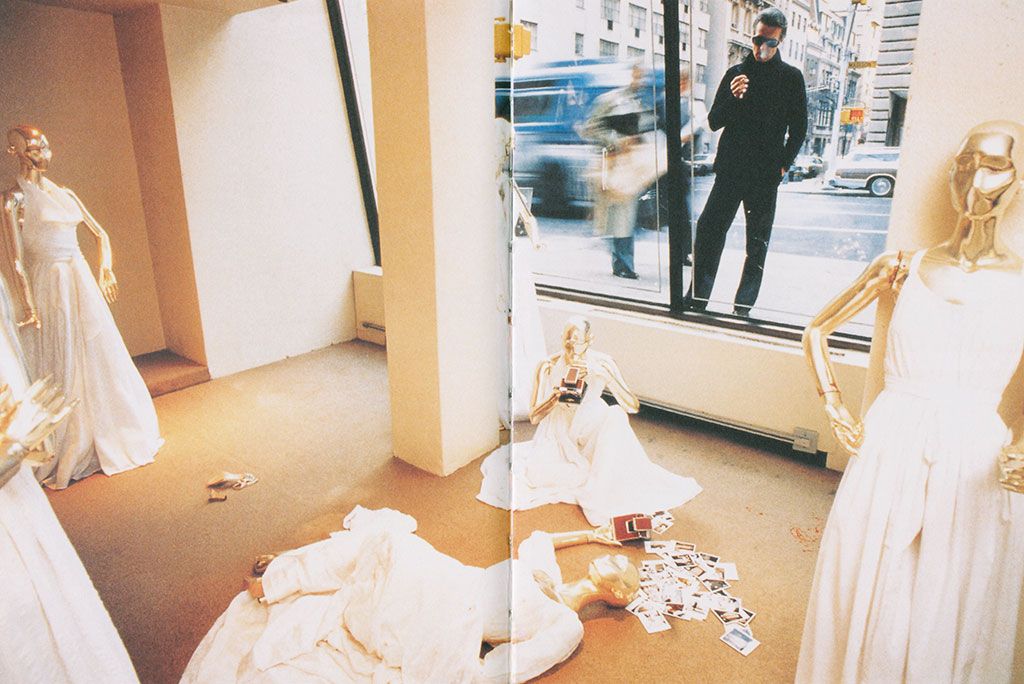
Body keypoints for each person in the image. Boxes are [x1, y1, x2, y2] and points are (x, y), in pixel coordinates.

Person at [797, 120, 1024, 682]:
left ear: (1018, 181)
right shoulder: (901, 266)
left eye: (994, 166)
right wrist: (835, 405)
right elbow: (817, 330)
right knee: (870, 567)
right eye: (965, 163)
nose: (974, 179)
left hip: (976, 451)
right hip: (893, 434)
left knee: (955, 587)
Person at [181, 505, 640, 682]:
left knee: (381, 553)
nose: (615, 561)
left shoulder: (566, 625)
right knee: (389, 539)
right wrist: (593, 534)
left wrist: (457, 667)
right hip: (454, 576)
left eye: (622, 570)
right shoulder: (545, 573)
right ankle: (280, 578)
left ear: (617, 595)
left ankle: (279, 579)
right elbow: (538, 538)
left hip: (454, 616)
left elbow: (511, 666)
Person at [1, 126, 162, 488]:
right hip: (50, 282)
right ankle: (69, 437)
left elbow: (100, 234)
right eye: (33, 148)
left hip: (79, 276)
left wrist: (106, 267)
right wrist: (27, 304)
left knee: (96, 350)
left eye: (45, 146)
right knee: (63, 354)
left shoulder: (65, 193)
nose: (42, 154)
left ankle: (109, 426)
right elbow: (16, 260)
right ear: (15, 152)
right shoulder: (13, 199)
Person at [478, 316, 701, 526]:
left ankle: (602, 488)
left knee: (615, 415)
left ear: (589, 340)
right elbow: (534, 417)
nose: (570, 348)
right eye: (566, 341)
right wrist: (554, 397)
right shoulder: (548, 365)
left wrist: (607, 377)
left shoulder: (602, 363)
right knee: (539, 476)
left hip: (591, 424)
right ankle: (593, 474)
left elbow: (632, 406)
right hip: (559, 431)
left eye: (577, 342)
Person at [685, 7, 807, 316]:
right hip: (731, 169)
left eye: (770, 42)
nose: (762, 47)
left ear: (780, 41)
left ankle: (743, 306)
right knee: (709, 230)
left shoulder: (791, 78)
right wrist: (733, 97)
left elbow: (799, 128)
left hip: (765, 174)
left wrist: (784, 164)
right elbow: (713, 121)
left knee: (757, 242)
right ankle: (698, 297)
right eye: (757, 40)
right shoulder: (735, 73)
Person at [582, 64, 654, 280]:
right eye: (636, 76)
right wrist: (618, 141)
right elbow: (591, 127)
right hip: (612, 162)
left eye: (642, 77)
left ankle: (622, 261)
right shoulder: (609, 100)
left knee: (625, 215)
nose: (640, 81)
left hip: (631, 164)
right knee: (620, 214)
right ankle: (623, 263)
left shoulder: (638, 102)